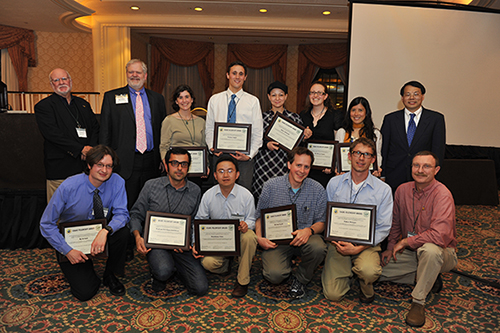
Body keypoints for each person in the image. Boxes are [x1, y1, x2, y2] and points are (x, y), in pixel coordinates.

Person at [40, 145, 129, 301]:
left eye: (109, 166)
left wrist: (105, 231)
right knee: (85, 292)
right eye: (100, 165)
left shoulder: (117, 182)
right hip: (74, 240)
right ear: (89, 165)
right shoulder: (69, 186)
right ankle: (86, 267)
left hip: (100, 232)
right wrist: (67, 250)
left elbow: (122, 214)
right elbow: (46, 224)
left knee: (122, 233)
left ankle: (109, 275)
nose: (104, 170)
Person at [379, 151, 457, 327]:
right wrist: (391, 247)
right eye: (416, 165)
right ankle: (428, 275)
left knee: (429, 251)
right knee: (376, 271)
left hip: (442, 252)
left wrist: (405, 242)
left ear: (436, 170)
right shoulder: (402, 190)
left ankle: (418, 301)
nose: (420, 170)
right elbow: (396, 223)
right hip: (412, 253)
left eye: (426, 166)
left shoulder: (443, 194)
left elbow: (439, 235)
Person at [129, 147, 208, 296]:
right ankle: (161, 271)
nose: (179, 168)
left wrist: (190, 242)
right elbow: (135, 214)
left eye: (184, 164)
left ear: (188, 167)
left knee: (200, 288)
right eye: (174, 163)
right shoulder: (151, 186)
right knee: (163, 270)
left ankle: (175, 267)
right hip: (156, 244)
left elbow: (195, 221)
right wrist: (138, 236)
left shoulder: (195, 190)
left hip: (182, 247)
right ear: (166, 165)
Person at [322, 138, 393, 303]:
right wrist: (335, 241)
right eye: (358, 153)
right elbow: (326, 217)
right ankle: (347, 272)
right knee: (333, 295)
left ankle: (364, 282)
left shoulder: (383, 190)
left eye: (367, 154)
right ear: (349, 156)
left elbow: (383, 227)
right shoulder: (334, 183)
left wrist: (357, 248)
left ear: (373, 159)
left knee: (369, 271)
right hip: (338, 244)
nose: (361, 158)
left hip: (366, 245)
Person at [255, 147, 327, 299]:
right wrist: (259, 238)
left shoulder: (318, 189)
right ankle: (286, 264)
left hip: (305, 238)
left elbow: (322, 222)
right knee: (274, 275)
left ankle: (301, 279)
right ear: (289, 164)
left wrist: (309, 231)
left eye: (306, 167)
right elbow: (259, 215)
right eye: (298, 165)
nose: (302, 170)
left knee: (318, 248)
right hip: (278, 241)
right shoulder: (271, 186)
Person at [99, 59, 167, 210]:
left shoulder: (157, 99)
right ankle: (126, 233)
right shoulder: (111, 97)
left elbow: (163, 130)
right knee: (126, 204)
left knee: (151, 203)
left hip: (151, 160)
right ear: (126, 74)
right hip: (123, 161)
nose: (134, 75)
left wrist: (163, 157)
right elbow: (105, 130)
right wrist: (105, 158)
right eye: (131, 72)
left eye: (138, 72)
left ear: (145, 75)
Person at [195, 155, 257, 297]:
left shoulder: (246, 195)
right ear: (215, 175)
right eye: (221, 171)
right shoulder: (208, 196)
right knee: (208, 263)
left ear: (237, 174)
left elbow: (252, 219)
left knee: (250, 237)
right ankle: (225, 265)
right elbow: (199, 220)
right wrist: (195, 242)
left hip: (239, 238)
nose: (226, 175)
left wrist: (246, 225)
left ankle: (242, 281)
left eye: (230, 171)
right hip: (218, 241)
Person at [35, 68, 99, 202]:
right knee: (58, 212)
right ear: (51, 85)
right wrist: (80, 149)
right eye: (56, 80)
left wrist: (89, 149)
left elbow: (95, 128)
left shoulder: (83, 104)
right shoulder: (44, 106)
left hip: (84, 167)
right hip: (60, 168)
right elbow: (52, 134)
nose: (61, 82)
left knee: (83, 209)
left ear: (70, 81)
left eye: (64, 79)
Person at [205, 61, 263, 191]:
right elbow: (209, 128)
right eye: (234, 73)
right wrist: (212, 147)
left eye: (241, 74)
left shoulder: (253, 101)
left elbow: (258, 132)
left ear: (245, 77)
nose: (237, 77)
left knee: (243, 194)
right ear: (227, 75)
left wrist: (249, 155)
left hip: (244, 158)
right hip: (220, 155)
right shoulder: (215, 99)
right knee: (219, 193)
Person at [381, 81, 446, 192]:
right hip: (395, 175)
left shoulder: (436, 119)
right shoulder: (390, 119)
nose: (412, 97)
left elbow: (438, 150)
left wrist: (435, 175)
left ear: (422, 96)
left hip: (423, 175)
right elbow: (384, 149)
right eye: (407, 94)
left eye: (416, 94)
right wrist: (383, 174)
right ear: (402, 98)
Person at [252, 81, 303, 200]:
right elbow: (254, 139)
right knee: (262, 197)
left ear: (286, 96)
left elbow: (299, 144)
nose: (277, 98)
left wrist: (304, 135)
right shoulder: (261, 117)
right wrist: (266, 144)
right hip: (264, 164)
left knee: (283, 198)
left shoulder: (294, 118)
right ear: (268, 97)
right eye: (273, 95)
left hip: (285, 164)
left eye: (280, 95)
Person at [159, 84, 207, 188]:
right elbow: (164, 147)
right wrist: (168, 166)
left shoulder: (201, 122)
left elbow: (203, 145)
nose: (184, 100)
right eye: (180, 97)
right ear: (176, 101)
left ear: (192, 99)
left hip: (196, 169)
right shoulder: (169, 121)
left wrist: (205, 165)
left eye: (187, 97)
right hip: (176, 169)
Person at [300, 81, 343, 188]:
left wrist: (333, 164)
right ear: (309, 95)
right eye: (312, 92)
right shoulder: (303, 115)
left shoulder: (334, 115)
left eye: (319, 93)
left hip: (325, 169)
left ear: (325, 96)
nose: (315, 96)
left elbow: (339, 142)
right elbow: (298, 144)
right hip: (305, 169)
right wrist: (303, 137)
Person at [335, 97, 382, 177]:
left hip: (367, 176)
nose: (356, 114)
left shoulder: (375, 133)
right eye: (353, 110)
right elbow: (336, 156)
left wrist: (376, 168)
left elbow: (377, 155)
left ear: (366, 112)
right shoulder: (341, 132)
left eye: (360, 110)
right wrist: (337, 168)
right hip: (344, 175)